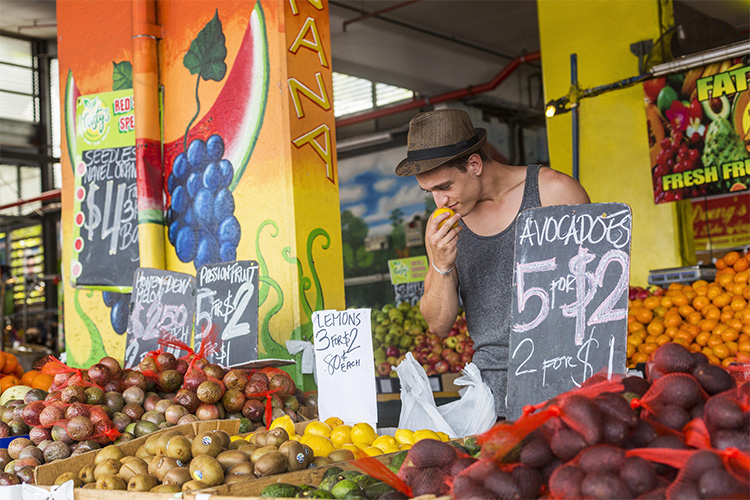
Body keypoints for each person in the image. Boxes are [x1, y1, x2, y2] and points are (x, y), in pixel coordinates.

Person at [395, 108, 590, 418]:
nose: (439, 202)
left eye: (444, 186)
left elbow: (593, 295)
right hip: (491, 398)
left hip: (564, 382)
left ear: (474, 164)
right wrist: (441, 265)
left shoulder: (553, 193)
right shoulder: (445, 226)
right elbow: (438, 324)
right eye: (429, 191)